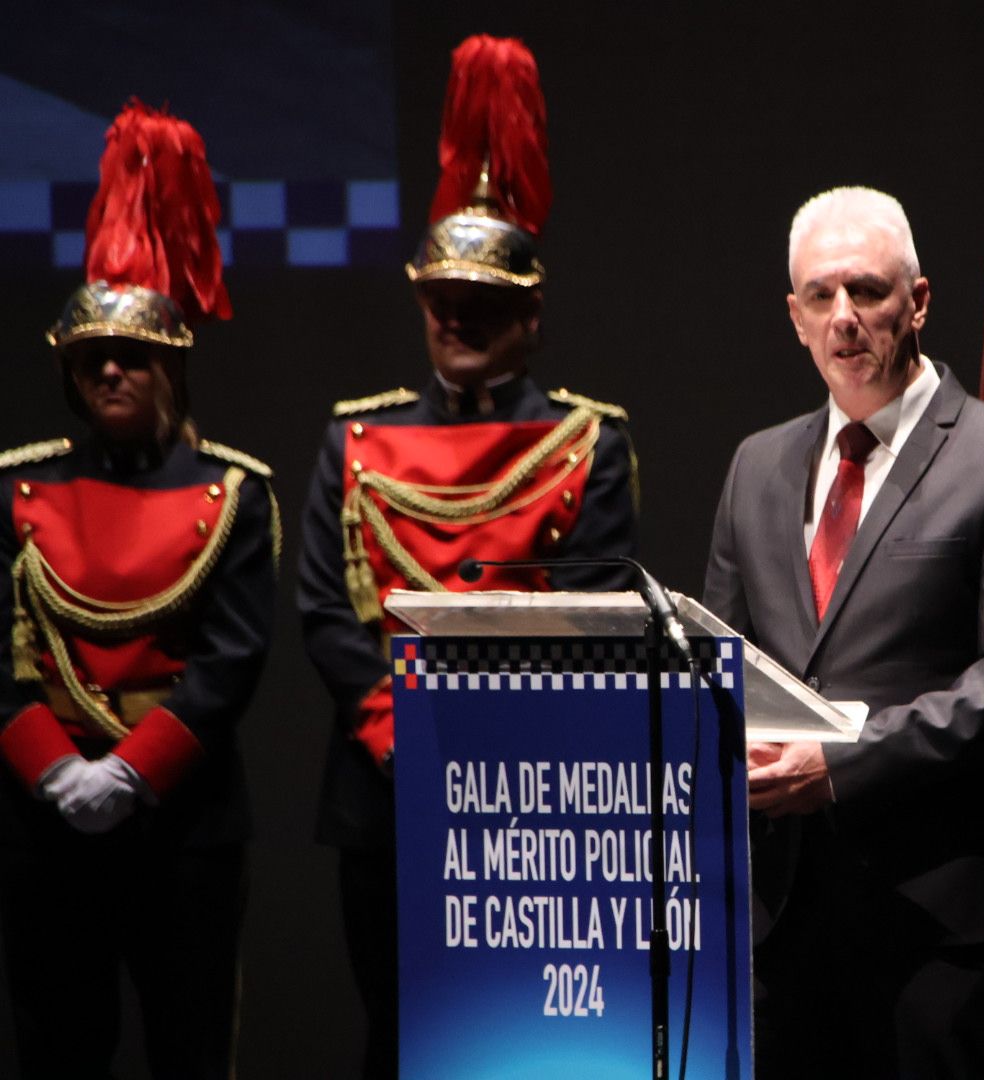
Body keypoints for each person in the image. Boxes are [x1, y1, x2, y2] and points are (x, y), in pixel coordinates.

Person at [297, 34, 637, 1080]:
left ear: (531, 316)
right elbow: (326, 609)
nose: (458, 319)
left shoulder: (589, 441)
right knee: (395, 1037)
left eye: (484, 305)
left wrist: (487, 747)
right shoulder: (356, 439)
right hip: (386, 789)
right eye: (442, 299)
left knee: (522, 1040)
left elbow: (592, 607)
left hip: (529, 794)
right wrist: (409, 738)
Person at [702, 186, 984, 1079]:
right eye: (820, 297)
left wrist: (842, 763)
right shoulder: (755, 466)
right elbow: (723, 663)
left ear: (918, 301)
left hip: (935, 925)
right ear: (793, 317)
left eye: (867, 292)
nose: (844, 318)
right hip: (778, 924)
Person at [0, 101, 277, 1080]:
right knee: (56, 1051)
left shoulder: (231, 493)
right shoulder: (19, 487)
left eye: (133, 357)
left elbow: (232, 657)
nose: (111, 369)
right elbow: (3, 658)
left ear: (171, 365)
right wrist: (54, 771)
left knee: (190, 1051)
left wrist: (133, 772)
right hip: (47, 823)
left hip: (182, 824)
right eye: (92, 360)